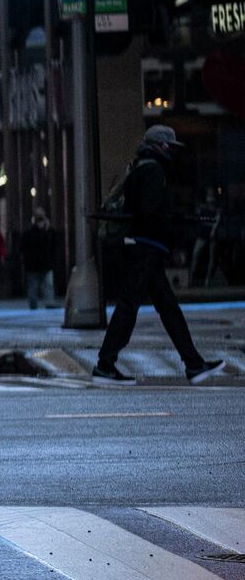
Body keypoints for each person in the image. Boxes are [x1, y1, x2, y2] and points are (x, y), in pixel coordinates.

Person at [94, 125, 230, 385]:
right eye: (168, 145)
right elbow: (151, 213)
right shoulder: (153, 170)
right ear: (158, 145)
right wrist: (175, 223)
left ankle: (193, 364)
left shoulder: (140, 167)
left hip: (143, 248)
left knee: (167, 308)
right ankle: (105, 364)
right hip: (145, 249)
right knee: (130, 307)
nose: (170, 150)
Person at [18, 209, 60, 310]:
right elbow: (25, 247)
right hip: (34, 265)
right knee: (35, 287)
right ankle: (34, 305)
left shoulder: (48, 231)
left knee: (46, 286)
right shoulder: (30, 232)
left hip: (43, 264)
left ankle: (48, 304)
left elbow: (53, 245)